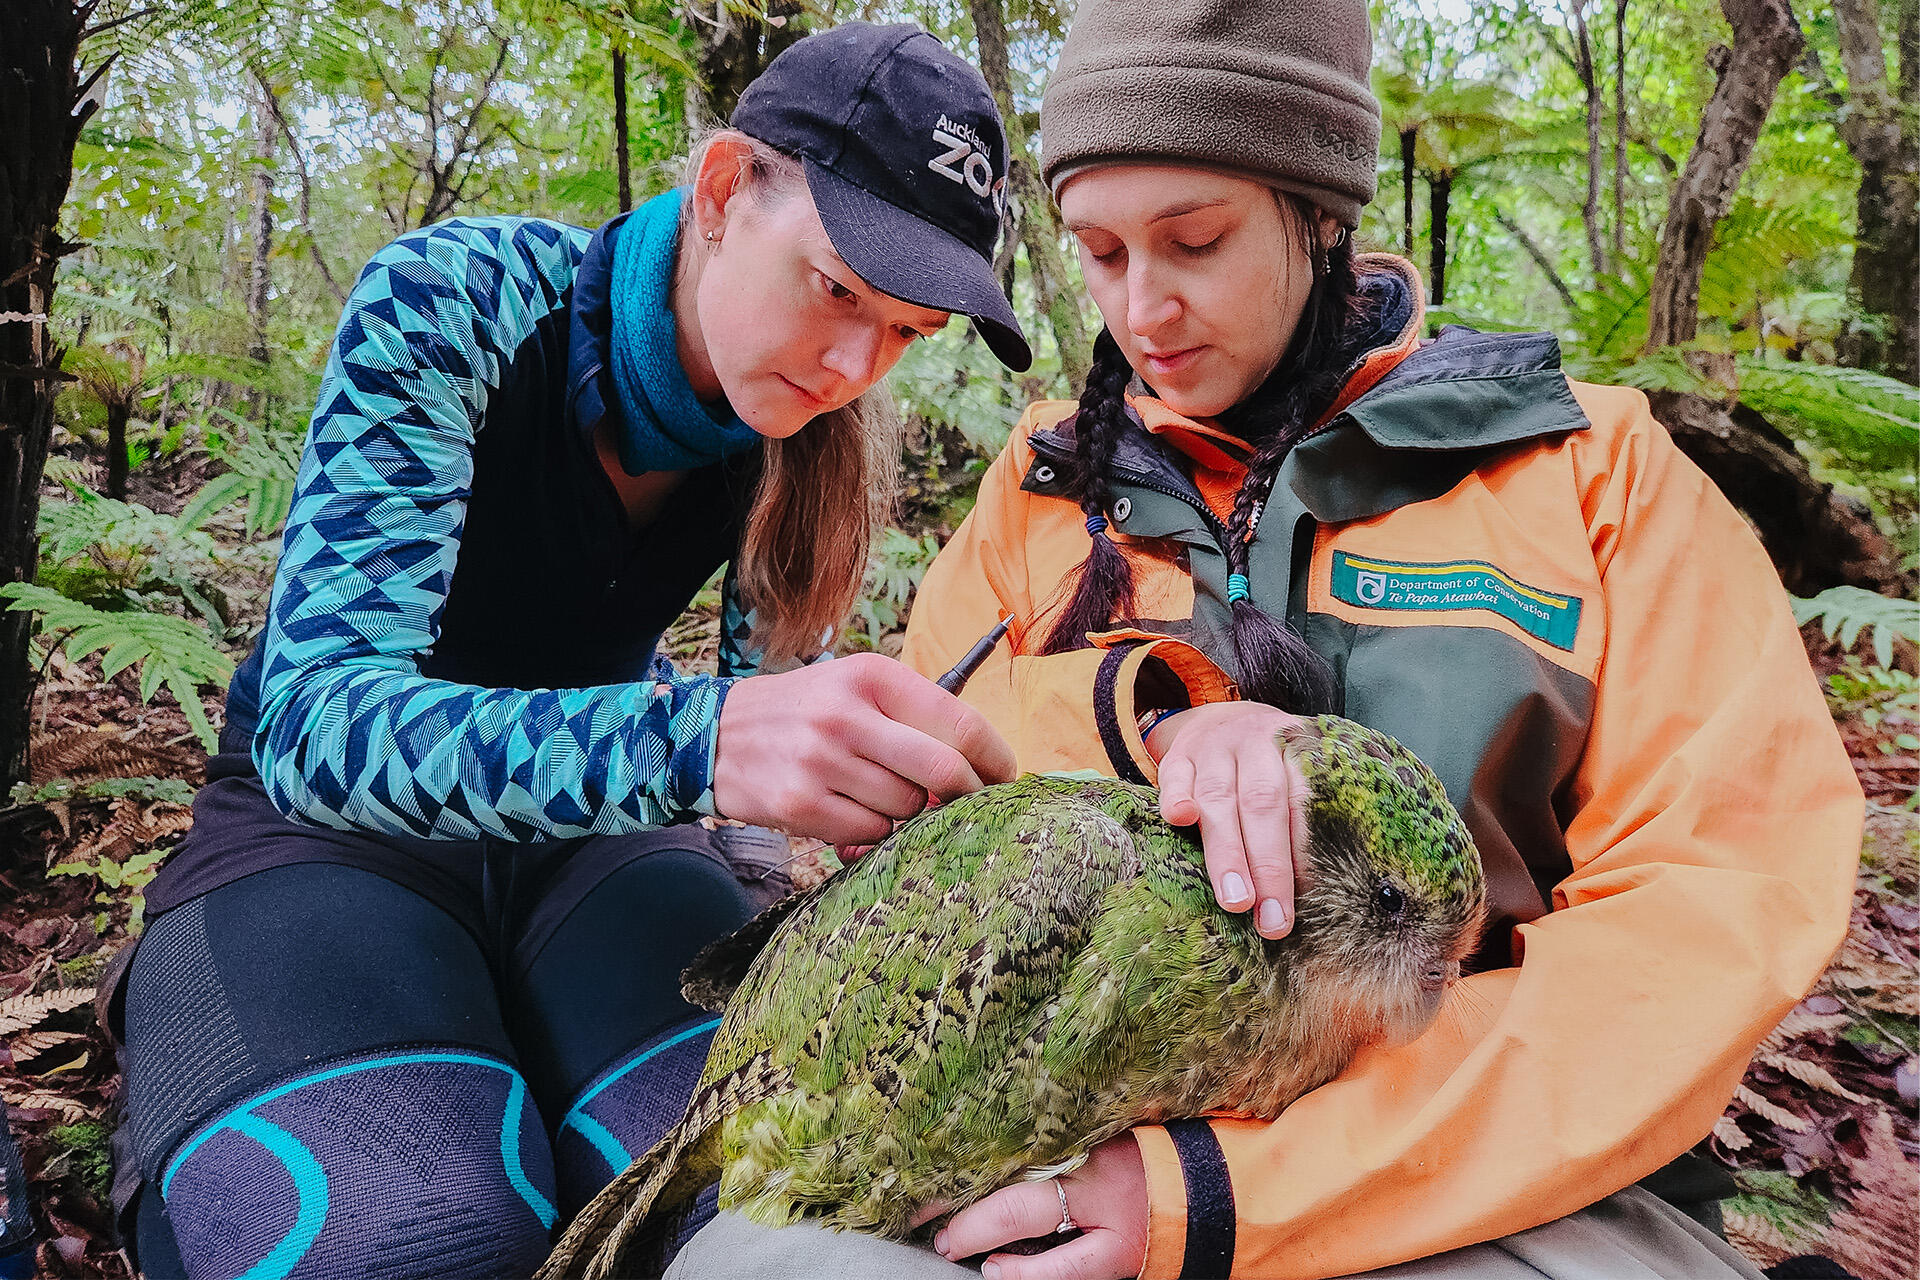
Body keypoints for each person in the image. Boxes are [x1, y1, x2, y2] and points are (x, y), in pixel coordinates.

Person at [662, 2, 1863, 1279]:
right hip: (1046, 1154)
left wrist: (1228, 1194)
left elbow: (1707, 926)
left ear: (1320, 211)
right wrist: (1132, 726)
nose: (1145, 307)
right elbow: (948, 857)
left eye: (1195, 239)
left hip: (1482, 1189)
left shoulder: (1592, 470)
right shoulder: (1041, 490)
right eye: (1100, 252)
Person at [104, 22, 1026, 1279]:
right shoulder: (460, 303)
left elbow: (754, 777)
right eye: (837, 287)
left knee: (791, 1208)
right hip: (321, 838)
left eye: (908, 331)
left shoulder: (790, 436)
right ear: (719, 192)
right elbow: (317, 723)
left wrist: (845, 826)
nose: (855, 363)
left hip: (600, 853)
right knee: (395, 1238)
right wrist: (699, 738)